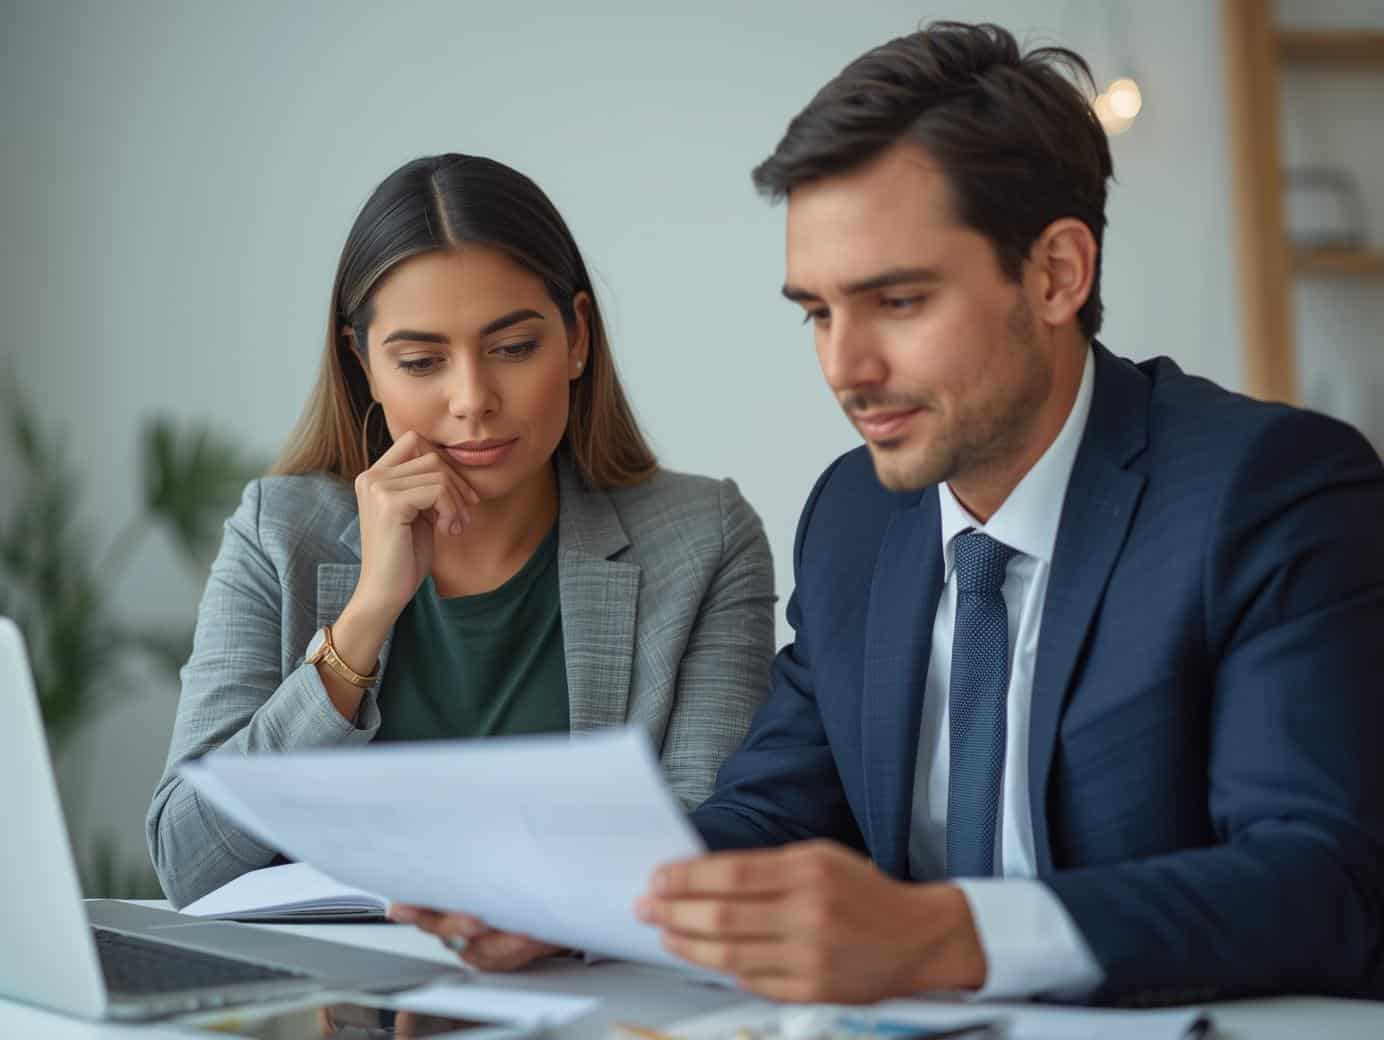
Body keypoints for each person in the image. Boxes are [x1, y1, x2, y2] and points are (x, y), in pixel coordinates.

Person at [634, 22, 1384, 1006]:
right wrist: (565, 895)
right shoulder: (852, 514)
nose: (843, 369)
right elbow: (778, 807)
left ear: (1055, 274)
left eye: (896, 301)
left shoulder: (1270, 490)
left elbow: (1319, 879)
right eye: (816, 312)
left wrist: (946, 933)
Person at [146, 156, 778, 973]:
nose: (473, 397)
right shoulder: (280, 530)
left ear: (577, 337)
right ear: (361, 362)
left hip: (595, 1003)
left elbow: (712, 842)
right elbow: (186, 859)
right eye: (420, 362)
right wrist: (367, 616)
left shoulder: (702, 538)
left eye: (514, 347)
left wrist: (552, 920)